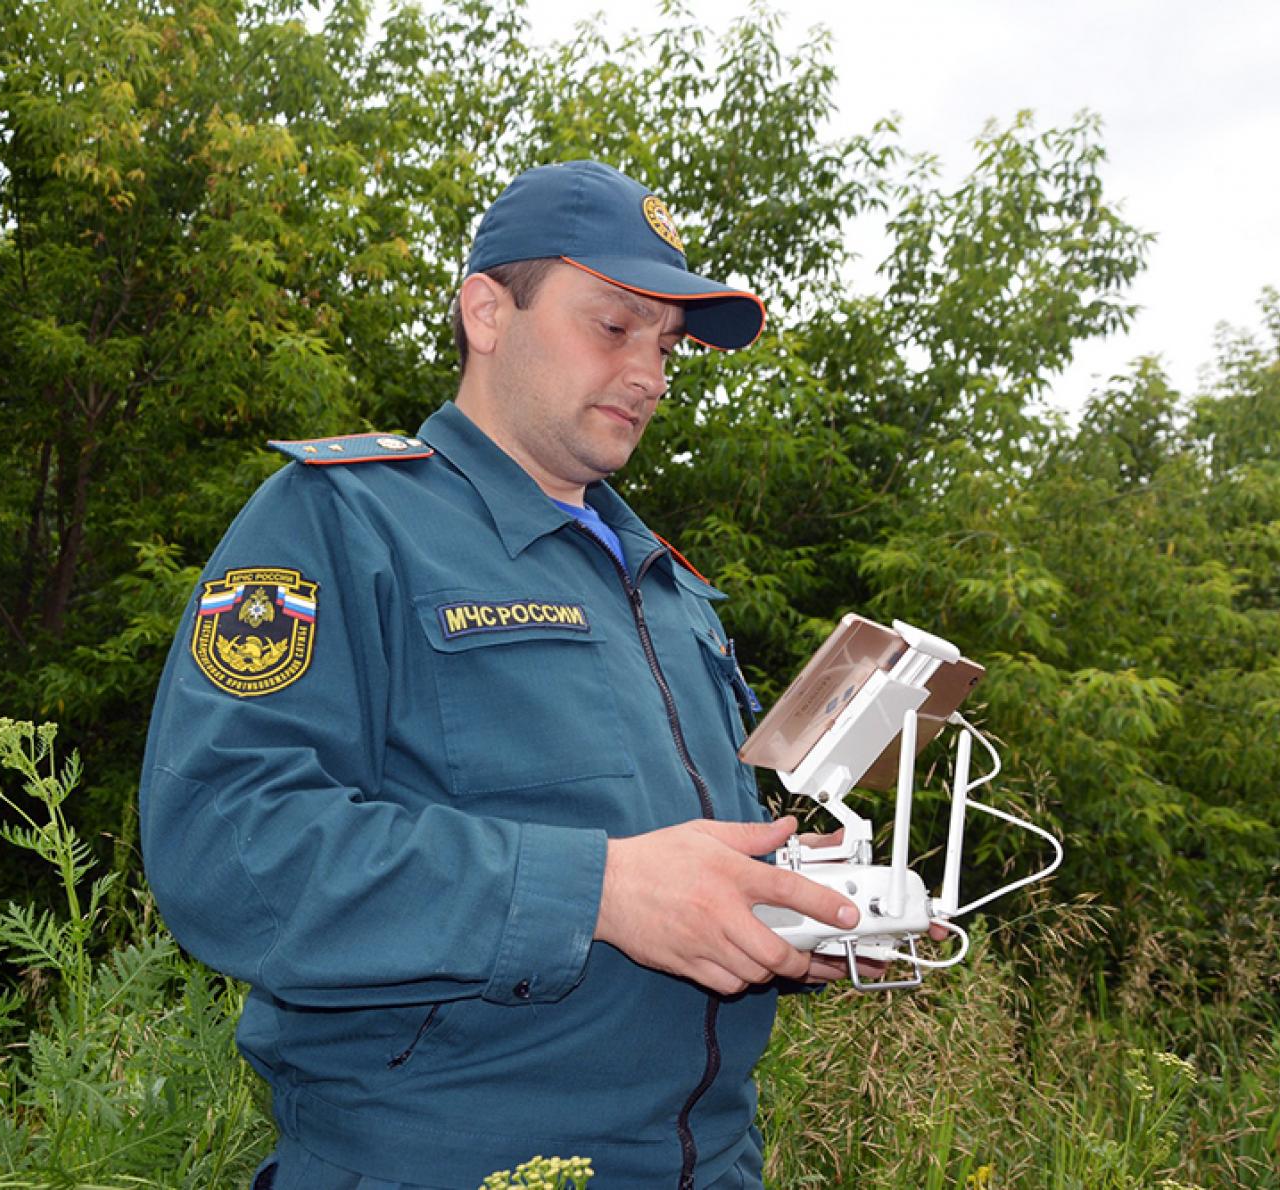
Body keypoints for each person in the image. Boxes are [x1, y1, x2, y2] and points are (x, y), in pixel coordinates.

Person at [139, 159, 869, 1190]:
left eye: (665, 346)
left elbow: (679, 890)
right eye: (613, 325)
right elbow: (226, 848)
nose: (651, 372)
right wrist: (597, 890)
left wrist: (797, 912)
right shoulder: (340, 521)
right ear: (487, 310)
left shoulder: (667, 588)